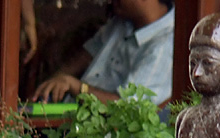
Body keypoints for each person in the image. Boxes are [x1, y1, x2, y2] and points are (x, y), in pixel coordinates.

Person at [31, 0, 174, 104]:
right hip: (69, 119)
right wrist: (55, 82)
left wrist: (77, 87)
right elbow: (85, 56)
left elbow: (127, 107)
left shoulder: (164, 47)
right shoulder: (121, 22)